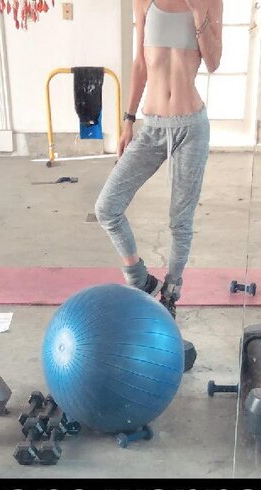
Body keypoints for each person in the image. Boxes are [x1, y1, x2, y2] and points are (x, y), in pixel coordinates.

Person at [95, 0, 223, 321]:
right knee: (107, 207)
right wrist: (128, 120)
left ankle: (170, 293)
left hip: (191, 128)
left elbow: (213, 62)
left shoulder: (210, 2)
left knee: (180, 222)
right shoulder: (143, 2)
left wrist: (199, 15)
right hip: (152, 127)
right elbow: (141, 63)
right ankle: (139, 279)